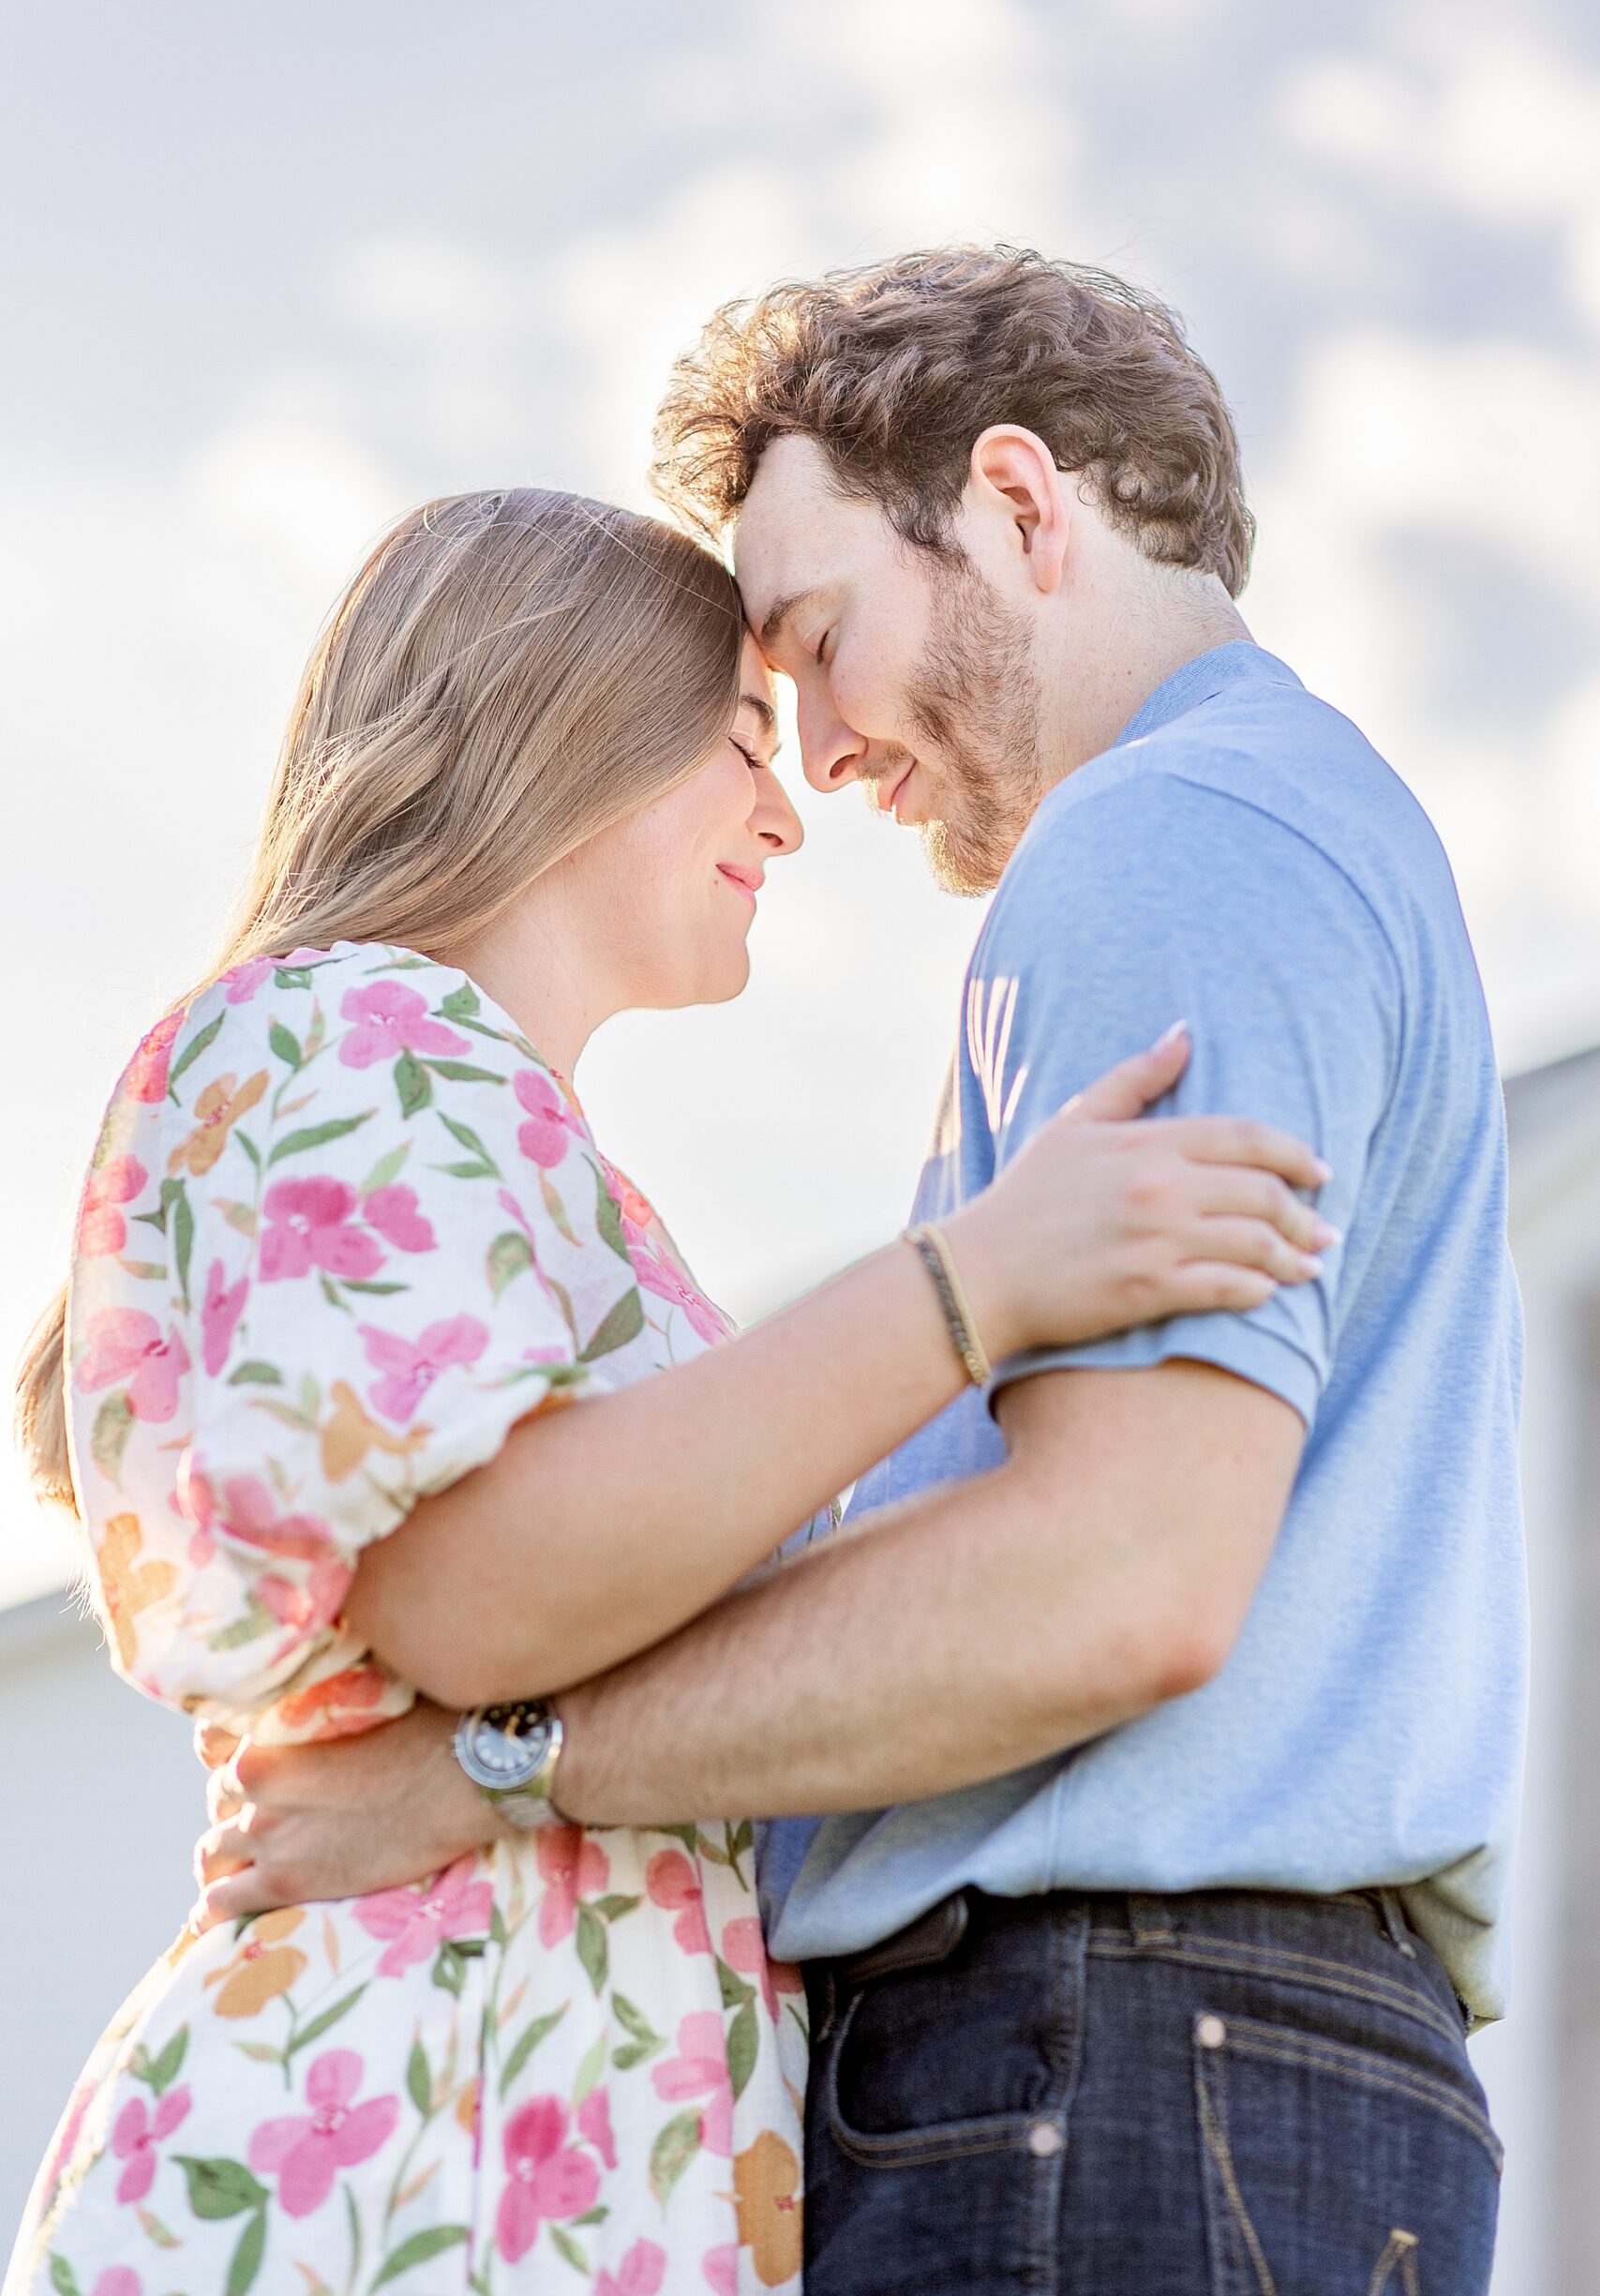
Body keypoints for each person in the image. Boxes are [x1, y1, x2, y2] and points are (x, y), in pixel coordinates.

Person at [187, 250, 1524, 2296]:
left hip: (1111, 2063)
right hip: (1204, 2071)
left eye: (817, 639)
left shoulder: (1156, 839)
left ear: (1010, 501)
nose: (809, 751)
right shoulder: (1267, 827)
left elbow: (1113, 1580)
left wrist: (488, 1769)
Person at [6, 484, 1331, 2296]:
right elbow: (499, 1593)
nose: (789, 809)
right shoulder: (348, 1031)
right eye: (735, 742)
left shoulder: (516, 1142)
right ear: (573, 731)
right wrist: (981, 1280)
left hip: (536, 2150)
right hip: (408, 2142)